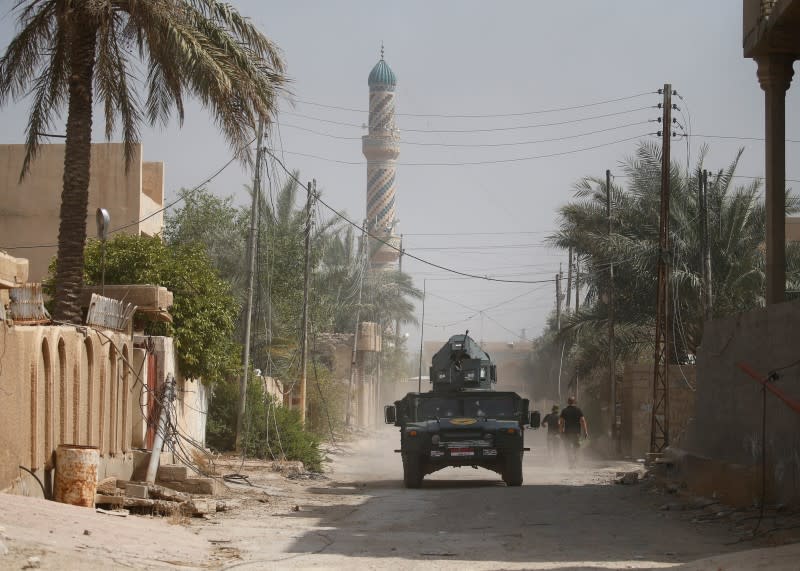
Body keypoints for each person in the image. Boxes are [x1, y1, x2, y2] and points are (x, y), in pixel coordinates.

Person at [559, 396, 588, 468]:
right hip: (576, 433)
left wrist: (561, 432)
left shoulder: (564, 411)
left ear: (568, 402)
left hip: (567, 433)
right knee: (576, 448)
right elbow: (583, 421)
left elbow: (561, 423)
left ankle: (571, 463)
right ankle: (575, 461)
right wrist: (585, 431)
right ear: (574, 402)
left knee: (568, 448)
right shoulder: (578, 410)